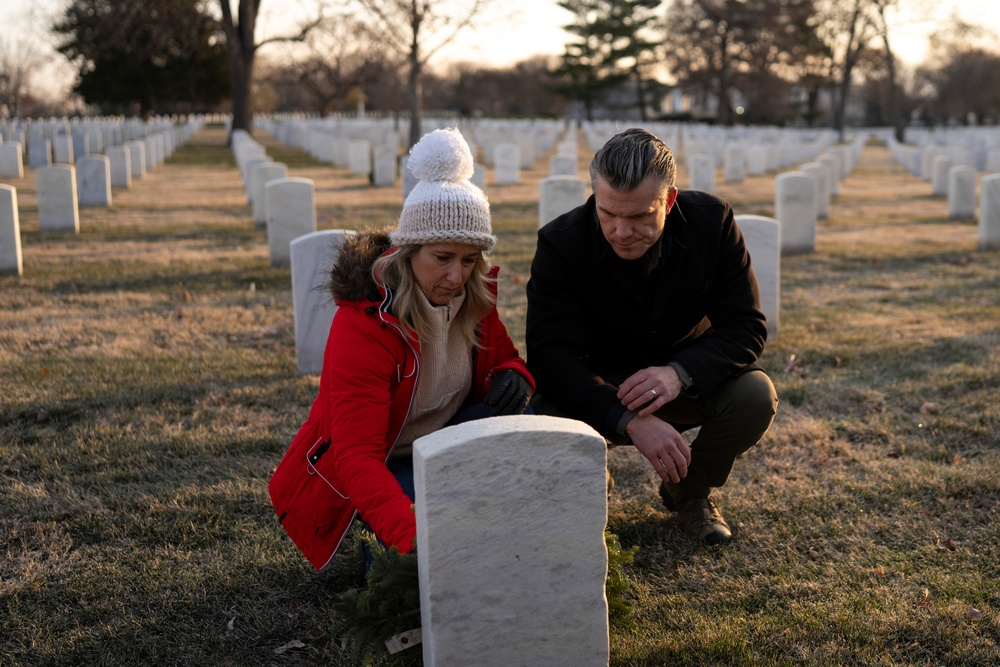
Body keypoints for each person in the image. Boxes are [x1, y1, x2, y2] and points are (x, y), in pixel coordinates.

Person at [270, 128, 534, 570]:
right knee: (420, 556)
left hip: (448, 440)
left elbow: (503, 357)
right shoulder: (365, 325)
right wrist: (413, 539)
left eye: (469, 261)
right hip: (392, 462)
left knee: (522, 434)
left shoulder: (471, 300)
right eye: (443, 257)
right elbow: (357, 458)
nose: (456, 276)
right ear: (408, 253)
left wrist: (514, 374)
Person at [525, 127, 777, 545]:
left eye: (640, 216)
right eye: (608, 214)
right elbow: (551, 356)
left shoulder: (711, 224)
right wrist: (627, 419)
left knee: (754, 395)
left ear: (670, 200)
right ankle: (587, 491)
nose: (622, 232)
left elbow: (745, 327)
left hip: (684, 377)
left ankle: (690, 490)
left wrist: (679, 374)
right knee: (543, 407)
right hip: (599, 383)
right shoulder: (561, 244)